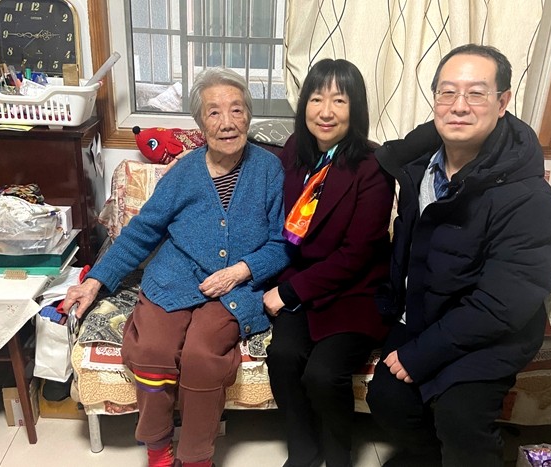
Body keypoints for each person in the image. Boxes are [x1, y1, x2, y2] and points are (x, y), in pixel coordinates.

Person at [64, 67, 290, 467]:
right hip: (174, 276)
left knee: (203, 356)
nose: (227, 122)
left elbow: (281, 243)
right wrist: (95, 281)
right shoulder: (183, 172)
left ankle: (196, 456)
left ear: (248, 117)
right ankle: (158, 449)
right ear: (200, 123)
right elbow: (142, 232)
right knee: (151, 349)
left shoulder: (269, 169)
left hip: (236, 287)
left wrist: (241, 270)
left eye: (236, 110)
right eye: (214, 112)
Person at [365, 44, 551, 467]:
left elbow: (502, 305)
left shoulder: (529, 197)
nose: (459, 106)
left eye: (476, 93)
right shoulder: (419, 167)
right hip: (423, 314)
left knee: (460, 417)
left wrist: (423, 353)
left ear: (503, 102)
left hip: (491, 333)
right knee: (387, 398)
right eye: (447, 92)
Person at [263, 58, 394, 467]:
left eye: (339, 100)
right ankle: (303, 450)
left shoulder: (373, 167)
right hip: (303, 282)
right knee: (283, 357)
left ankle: (339, 458)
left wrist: (288, 292)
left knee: (323, 374)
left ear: (355, 109)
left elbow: (357, 254)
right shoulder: (294, 152)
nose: (325, 111)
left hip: (355, 290)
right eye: (317, 98)